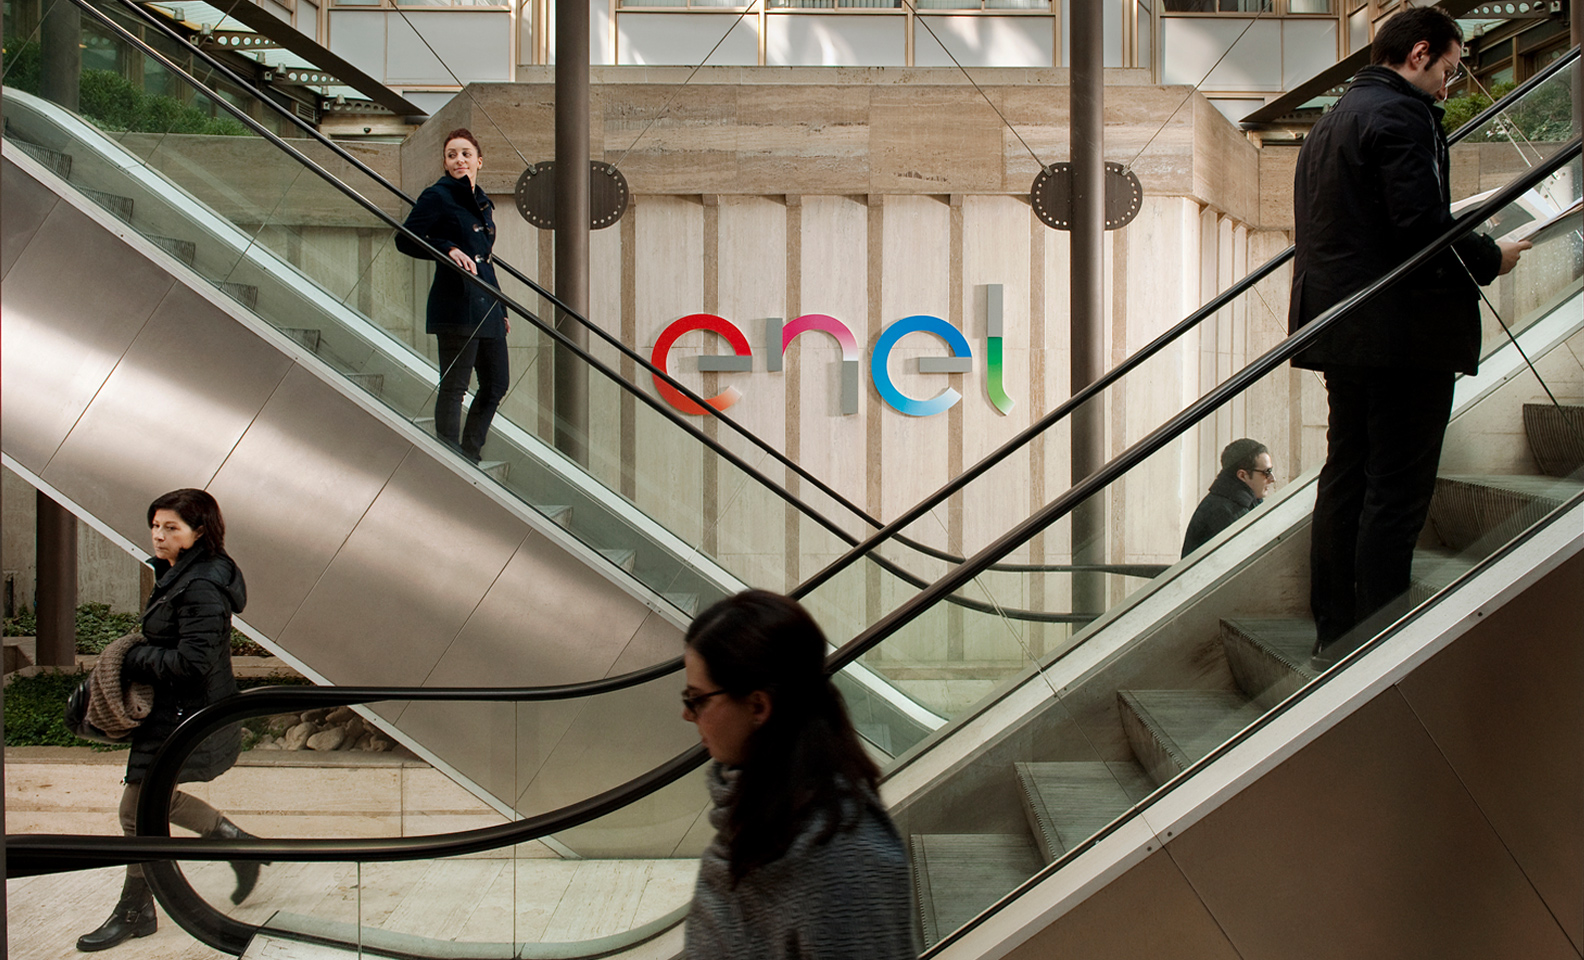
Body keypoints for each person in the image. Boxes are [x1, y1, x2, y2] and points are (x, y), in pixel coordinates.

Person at [1288, 6, 1530, 665]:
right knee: (1396, 488)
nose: (1449, 87)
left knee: (1347, 475)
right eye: (1450, 70)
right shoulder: (1401, 114)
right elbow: (1419, 229)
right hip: (1401, 334)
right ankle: (1379, 639)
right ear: (1420, 52)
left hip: (1340, 325)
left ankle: (1335, 632)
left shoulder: (1331, 121)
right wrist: (1489, 256)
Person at [681, 590, 915, 960]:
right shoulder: (750, 817)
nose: (688, 715)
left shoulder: (841, 858)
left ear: (758, 705)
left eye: (698, 699)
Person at [78, 488, 259, 952]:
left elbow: (192, 662)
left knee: (136, 812)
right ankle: (234, 843)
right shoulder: (181, 573)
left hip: (185, 715)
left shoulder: (199, 585)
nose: (158, 535)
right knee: (147, 807)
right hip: (174, 713)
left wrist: (134, 657)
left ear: (199, 532)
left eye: (170, 528)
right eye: (155, 525)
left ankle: (135, 911)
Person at [396, 128, 508, 464]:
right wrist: (447, 249)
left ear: (479, 161)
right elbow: (406, 238)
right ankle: (449, 458)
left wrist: (501, 307)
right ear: (446, 164)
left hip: (487, 305)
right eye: (452, 155)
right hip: (456, 303)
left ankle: (469, 453)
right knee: (455, 386)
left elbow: (484, 261)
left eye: (465, 154)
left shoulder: (483, 202)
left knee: (496, 384)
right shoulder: (438, 195)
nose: (459, 160)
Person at [1181, 438, 1276, 557]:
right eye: (1266, 472)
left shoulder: (1239, 503)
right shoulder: (1224, 511)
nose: (1272, 479)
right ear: (1242, 475)